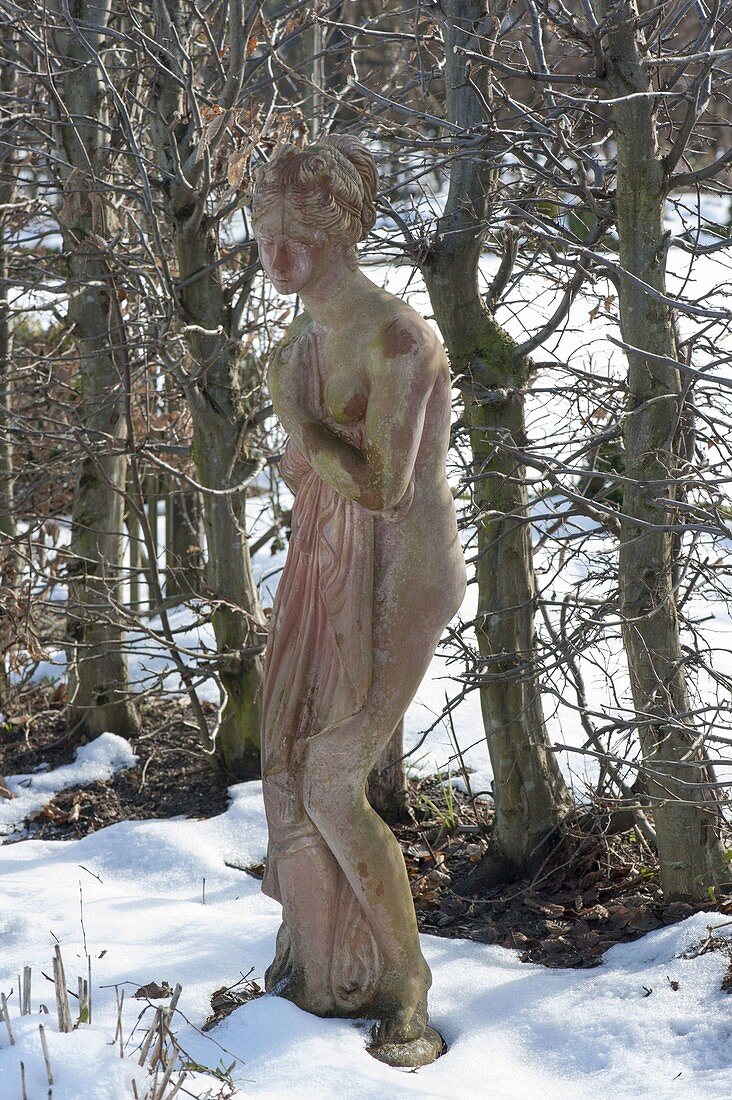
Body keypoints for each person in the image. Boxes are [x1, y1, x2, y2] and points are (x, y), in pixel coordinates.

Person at [252, 135, 466, 1066]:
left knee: (336, 775)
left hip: (398, 576)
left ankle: (404, 983)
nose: (269, 245)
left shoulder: (397, 337)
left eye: (288, 225)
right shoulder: (304, 337)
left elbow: (384, 486)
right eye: (259, 224)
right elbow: (317, 484)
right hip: (324, 565)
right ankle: (322, 963)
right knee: (290, 761)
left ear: (335, 227)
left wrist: (297, 418)